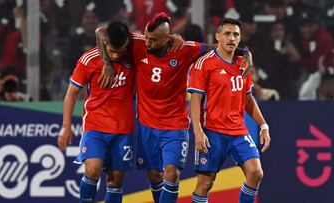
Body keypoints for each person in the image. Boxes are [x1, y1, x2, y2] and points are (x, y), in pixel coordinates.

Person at [96, 12, 219, 203]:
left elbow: (216, 49)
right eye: (146, 37)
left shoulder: (183, 49)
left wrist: (244, 53)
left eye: (153, 40)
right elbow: (101, 31)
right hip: (147, 126)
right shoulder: (136, 41)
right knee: (154, 176)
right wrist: (107, 63)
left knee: (171, 173)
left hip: (175, 126)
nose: (147, 43)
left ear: (167, 38)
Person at [187, 18, 271, 203]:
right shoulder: (204, 64)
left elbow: (248, 98)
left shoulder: (243, 64)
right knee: (205, 184)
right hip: (212, 131)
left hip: (238, 131)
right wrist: (198, 131)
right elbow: (195, 101)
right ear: (217, 36)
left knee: (256, 173)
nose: (231, 38)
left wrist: (263, 125)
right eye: (227, 33)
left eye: (236, 34)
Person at [57, 21, 134, 203]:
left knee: (115, 181)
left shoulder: (133, 54)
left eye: (120, 51)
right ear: (105, 42)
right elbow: (71, 94)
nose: (115, 55)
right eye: (111, 51)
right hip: (96, 125)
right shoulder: (89, 60)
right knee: (92, 169)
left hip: (123, 128)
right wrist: (66, 127)